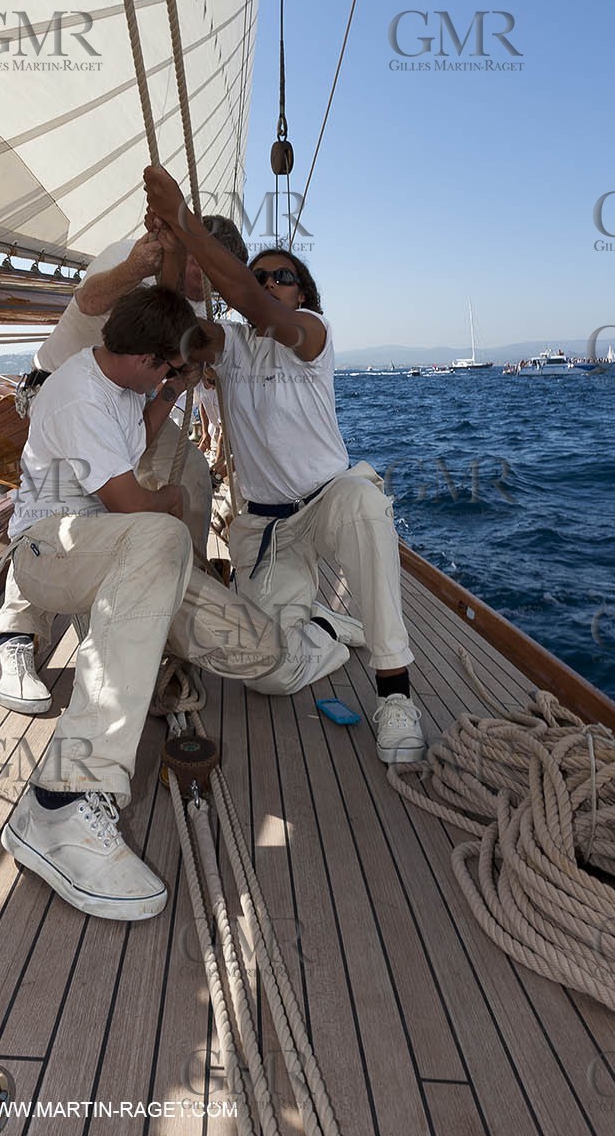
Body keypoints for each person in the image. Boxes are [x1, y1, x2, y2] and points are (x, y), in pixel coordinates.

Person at [0, 285, 347, 921]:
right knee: (161, 533)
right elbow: (131, 504)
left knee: (260, 650)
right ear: (147, 358)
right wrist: (175, 503)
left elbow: (133, 440)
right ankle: (62, 802)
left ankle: (311, 637)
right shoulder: (75, 393)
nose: (167, 380)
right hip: (49, 551)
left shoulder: (124, 384)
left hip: (117, 553)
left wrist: (166, 395)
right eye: (166, 369)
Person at [144, 165, 427, 766]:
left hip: (328, 501)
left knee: (365, 503)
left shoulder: (310, 336)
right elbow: (172, 328)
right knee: (267, 674)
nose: (269, 283)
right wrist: (172, 248)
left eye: (283, 277)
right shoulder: (232, 344)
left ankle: (395, 692)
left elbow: (254, 306)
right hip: (267, 527)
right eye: (259, 275)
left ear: (303, 296)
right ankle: (325, 629)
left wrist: (183, 219)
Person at [0, 216, 247, 715]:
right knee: (59, 505)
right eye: (210, 272)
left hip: (129, 400)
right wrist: (134, 268)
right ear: (193, 253)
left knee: (191, 477)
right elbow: (88, 301)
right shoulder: (134, 254)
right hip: (63, 390)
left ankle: (167, 609)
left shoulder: (195, 301)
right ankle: (15, 634)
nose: (212, 288)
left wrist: (182, 378)